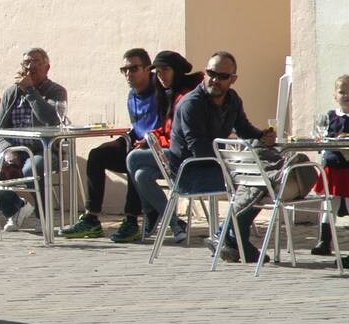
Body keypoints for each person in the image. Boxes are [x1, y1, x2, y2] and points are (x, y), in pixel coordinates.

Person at [167, 51, 277, 262]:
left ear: (233, 80)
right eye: (211, 73)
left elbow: (244, 129)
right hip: (190, 173)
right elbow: (199, 149)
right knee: (255, 181)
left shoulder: (232, 99)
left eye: (222, 76)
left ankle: (229, 238)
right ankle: (230, 236)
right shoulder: (192, 104)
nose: (215, 80)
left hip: (215, 166)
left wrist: (263, 135)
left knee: (262, 179)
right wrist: (234, 163)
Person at [59, 49, 164, 243]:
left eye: (133, 69)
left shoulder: (161, 90)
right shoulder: (132, 94)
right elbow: (137, 127)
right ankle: (91, 218)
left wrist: (143, 141)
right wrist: (127, 139)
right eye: (124, 69)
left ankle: (131, 219)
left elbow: (164, 127)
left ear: (148, 69)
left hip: (159, 150)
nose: (128, 74)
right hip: (138, 141)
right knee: (98, 154)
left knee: (135, 157)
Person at [126, 50, 203, 243]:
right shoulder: (170, 94)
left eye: (165, 71)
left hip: (187, 158)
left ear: (176, 71)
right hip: (172, 153)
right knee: (140, 174)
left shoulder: (187, 97)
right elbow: (168, 129)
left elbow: (182, 137)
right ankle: (175, 224)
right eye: (158, 73)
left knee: (133, 158)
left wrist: (157, 142)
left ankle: (153, 215)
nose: (161, 77)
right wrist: (152, 137)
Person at [0, 47, 68, 232]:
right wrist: (8, 149)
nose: (30, 67)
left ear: (47, 68)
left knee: (32, 167)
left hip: (46, 149)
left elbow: (51, 119)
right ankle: (14, 209)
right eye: (26, 62)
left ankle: (44, 218)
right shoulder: (11, 93)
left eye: (35, 62)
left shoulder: (56, 91)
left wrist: (31, 91)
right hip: (15, 151)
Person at [311, 74, 349, 257]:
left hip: (348, 167)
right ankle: (324, 241)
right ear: (335, 95)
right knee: (329, 204)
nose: (346, 95)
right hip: (332, 165)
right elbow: (324, 136)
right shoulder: (331, 116)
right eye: (342, 92)